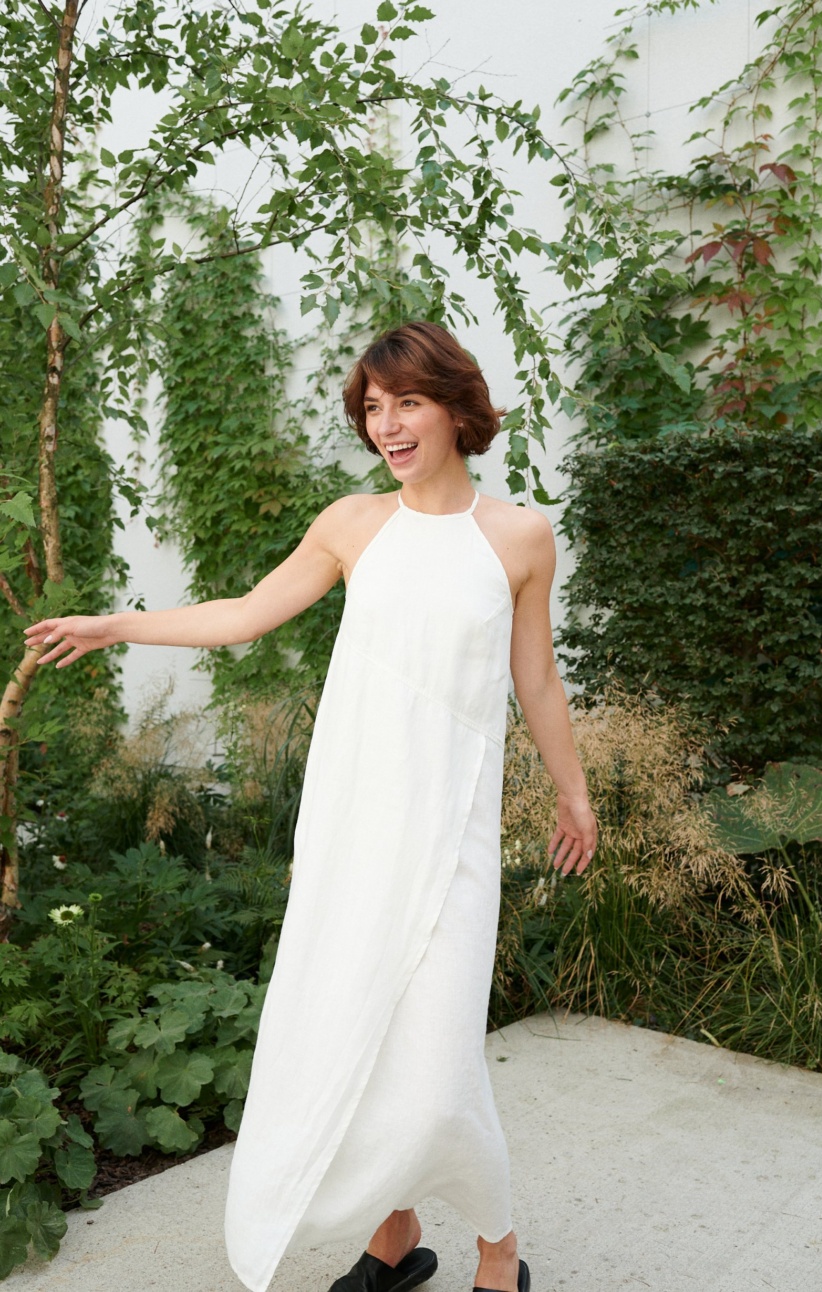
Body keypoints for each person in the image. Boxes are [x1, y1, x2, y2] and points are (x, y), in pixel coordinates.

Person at [25, 321, 597, 1292]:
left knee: (434, 1065)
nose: (387, 424)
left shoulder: (517, 536)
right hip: (354, 829)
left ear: (457, 405)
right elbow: (241, 615)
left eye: (404, 401)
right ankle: (394, 1233)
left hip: (448, 836)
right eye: (371, 409)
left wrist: (572, 792)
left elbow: (533, 677)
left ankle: (498, 1245)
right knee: (357, 1035)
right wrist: (116, 623)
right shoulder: (352, 525)